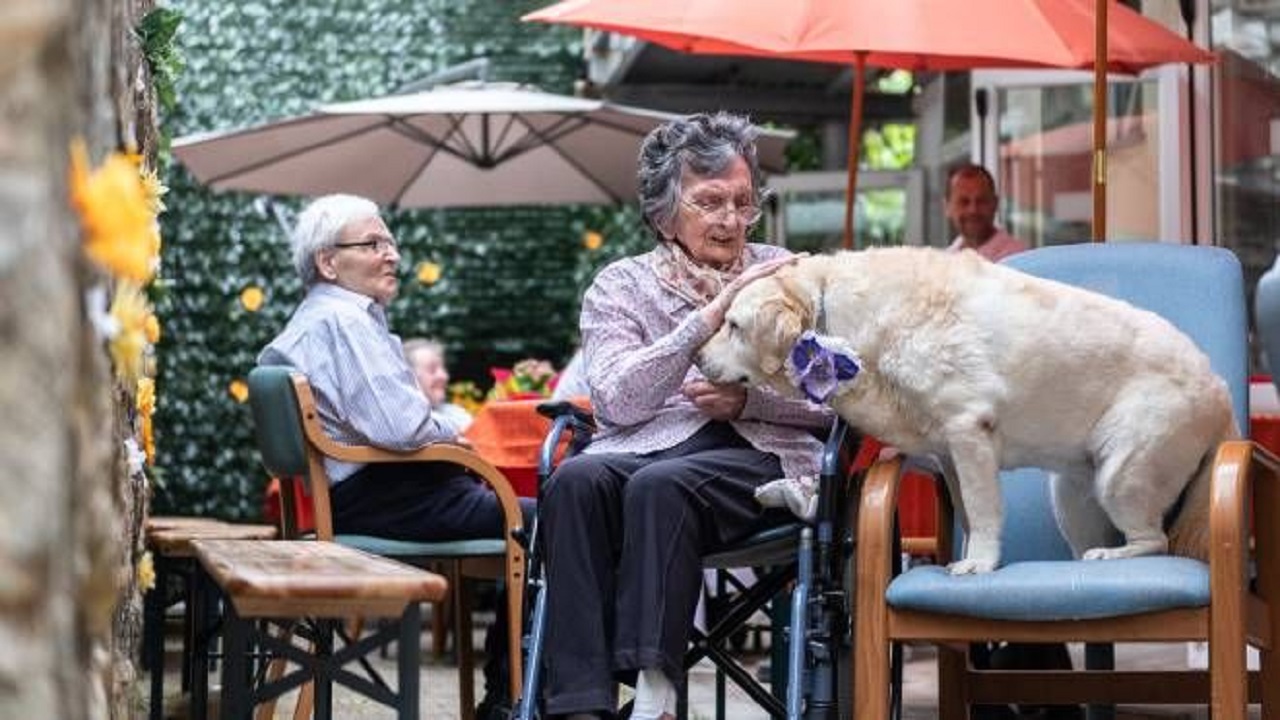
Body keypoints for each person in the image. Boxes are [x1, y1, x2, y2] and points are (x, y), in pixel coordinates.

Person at [538, 112, 832, 720]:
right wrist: (706, 318)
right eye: (710, 202)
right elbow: (617, 402)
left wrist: (750, 400)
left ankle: (655, 691)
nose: (730, 220)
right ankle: (581, 705)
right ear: (664, 211)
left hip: (759, 457)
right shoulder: (619, 286)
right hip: (648, 444)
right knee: (573, 481)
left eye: (743, 203)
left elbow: (837, 398)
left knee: (660, 486)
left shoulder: (789, 276)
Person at [257, 193, 533, 719]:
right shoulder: (344, 322)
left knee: (538, 510)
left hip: (360, 496)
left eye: (390, 242)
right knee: (556, 515)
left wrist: (446, 436)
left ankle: (518, 691)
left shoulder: (319, 319)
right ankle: (514, 696)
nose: (392, 255)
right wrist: (452, 435)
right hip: (386, 497)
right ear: (328, 262)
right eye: (373, 243)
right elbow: (401, 425)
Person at [944, 163, 1029, 261]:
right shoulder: (944, 260)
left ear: (995, 203)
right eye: (964, 202)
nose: (973, 210)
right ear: (947, 207)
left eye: (981, 201)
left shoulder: (1018, 258)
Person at [403, 337, 474, 433]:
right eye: (432, 370)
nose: (444, 376)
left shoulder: (458, 415)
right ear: (409, 377)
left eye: (443, 369)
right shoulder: (402, 422)